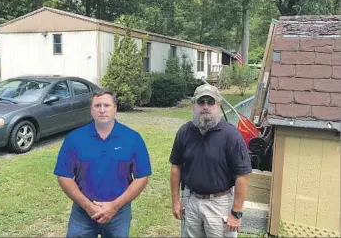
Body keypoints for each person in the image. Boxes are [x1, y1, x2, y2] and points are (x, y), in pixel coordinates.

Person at [53, 88, 152, 238]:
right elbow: (63, 176)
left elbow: (142, 177)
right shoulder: (75, 138)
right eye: (97, 106)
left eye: (107, 105)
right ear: (91, 110)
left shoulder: (132, 138)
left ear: (115, 109)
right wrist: (88, 206)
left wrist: (115, 206)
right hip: (83, 211)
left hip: (119, 212)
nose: (102, 110)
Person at [169, 83, 252, 237]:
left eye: (210, 102)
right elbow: (176, 166)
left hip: (220, 204)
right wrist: (175, 201)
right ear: (194, 105)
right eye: (201, 102)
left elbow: (243, 175)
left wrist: (236, 212)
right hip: (191, 201)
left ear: (218, 105)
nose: (205, 106)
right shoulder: (185, 132)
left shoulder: (231, 136)